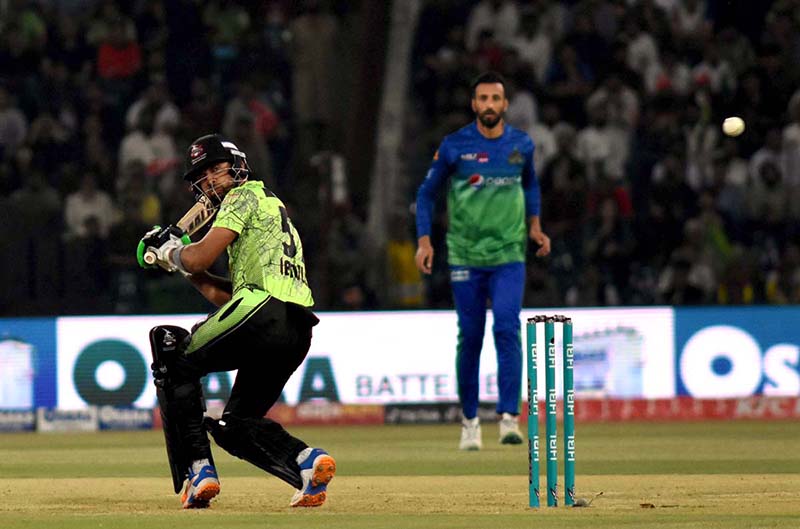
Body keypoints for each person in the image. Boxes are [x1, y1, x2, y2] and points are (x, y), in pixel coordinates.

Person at [137, 134, 335, 508]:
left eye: (216, 168)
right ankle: (307, 463)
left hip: (262, 313)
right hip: (294, 328)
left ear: (237, 165)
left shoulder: (240, 196)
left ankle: (198, 470)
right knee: (236, 425)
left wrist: (172, 252)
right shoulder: (270, 206)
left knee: (173, 359)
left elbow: (197, 259)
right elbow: (222, 294)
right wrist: (178, 260)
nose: (210, 178)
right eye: (203, 173)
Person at [415, 71, 551, 451]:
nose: (489, 105)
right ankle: (470, 421)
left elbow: (531, 185)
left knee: (507, 328)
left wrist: (536, 227)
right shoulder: (455, 146)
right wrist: (425, 241)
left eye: (496, 99)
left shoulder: (521, 145)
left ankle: (509, 417)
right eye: (483, 99)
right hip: (465, 255)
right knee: (470, 337)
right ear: (474, 104)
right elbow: (426, 195)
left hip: (509, 253)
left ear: (505, 104)